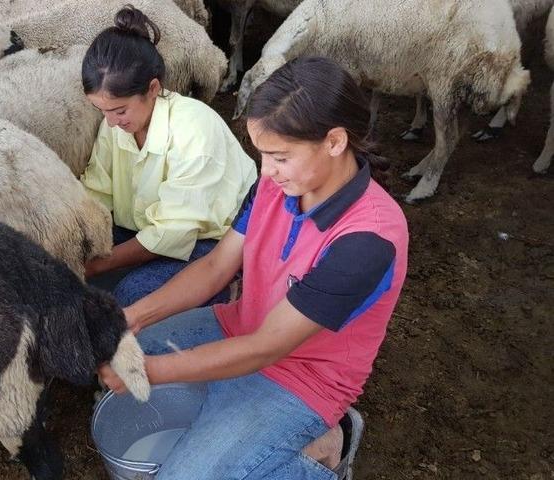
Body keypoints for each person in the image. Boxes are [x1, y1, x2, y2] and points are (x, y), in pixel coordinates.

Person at [99, 56, 409, 479]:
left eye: (280, 156)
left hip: (305, 379)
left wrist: (149, 372)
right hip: (240, 326)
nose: (267, 171)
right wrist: (131, 317)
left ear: (335, 142)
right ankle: (233, 423)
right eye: (262, 154)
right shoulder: (274, 185)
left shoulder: (367, 240)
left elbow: (266, 347)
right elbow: (215, 267)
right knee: (130, 353)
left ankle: (323, 452)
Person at [80, 5, 257, 307]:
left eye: (119, 110)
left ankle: (232, 289)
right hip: (143, 228)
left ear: (152, 89)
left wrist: (97, 264)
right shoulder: (117, 126)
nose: (110, 122)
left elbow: (174, 232)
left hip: (209, 243)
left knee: (130, 297)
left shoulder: (194, 128)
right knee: (69, 284)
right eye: (102, 111)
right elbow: (97, 191)